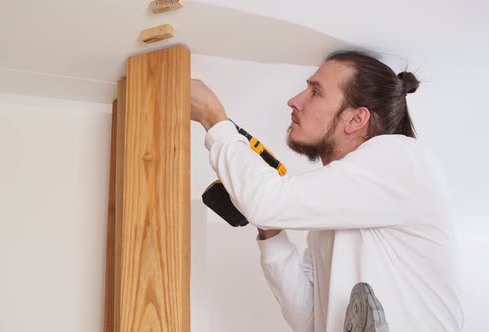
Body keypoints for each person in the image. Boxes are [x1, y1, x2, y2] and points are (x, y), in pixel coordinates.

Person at [191, 50, 464, 331]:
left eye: (315, 92)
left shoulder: (402, 158)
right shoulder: (341, 208)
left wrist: (215, 120)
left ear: (356, 119)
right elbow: (309, 319)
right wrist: (269, 229)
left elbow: (267, 201)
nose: (294, 101)